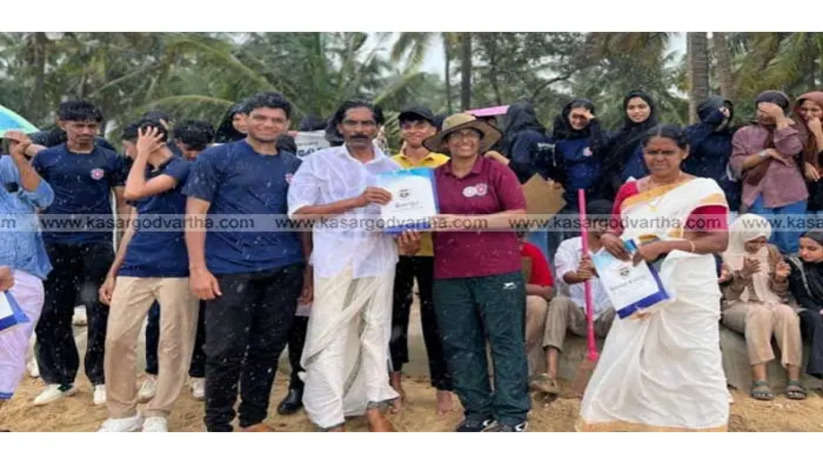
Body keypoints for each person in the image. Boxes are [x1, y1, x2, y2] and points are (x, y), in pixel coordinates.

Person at [578, 124, 730, 431]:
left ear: (684, 153)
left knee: (695, 357)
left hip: (688, 288)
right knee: (633, 355)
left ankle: (701, 426)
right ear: (643, 153)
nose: (659, 158)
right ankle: (635, 425)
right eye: (652, 152)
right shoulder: (629, 190)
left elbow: (718, 241)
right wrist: (608, 237)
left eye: (667, 152)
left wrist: (665, 246)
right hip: (637, 285)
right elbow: (618, 229)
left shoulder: (704, 190)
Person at [288, 100, 419, 432]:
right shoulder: (319, 162)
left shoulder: (393, 170)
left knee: (376, 333)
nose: (360, 130)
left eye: (367, 124)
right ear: (340, 127)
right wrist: (357, 201)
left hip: (379, 261)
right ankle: (329, 415)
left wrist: (410, 239)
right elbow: (299, 212)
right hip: (335, 261)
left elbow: (407, 228)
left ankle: (373, 406)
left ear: (377, 128)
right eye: (352, 123)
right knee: (329, 334)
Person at [184, 92, 310, 432]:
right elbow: (195, 214)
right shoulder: (217, 158)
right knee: (224, 351)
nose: (268, 124)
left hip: (284, 269)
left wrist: (307, 274)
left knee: (268, 349)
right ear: (245, 119)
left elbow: (302, 223)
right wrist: (198, 268)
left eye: (276, 120)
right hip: (229, 269)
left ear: (287, 125)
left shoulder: (293, 166)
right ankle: (219, 425)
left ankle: (254, 419)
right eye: (261, 118)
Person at [422, 113, 530, 432]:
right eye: (456, 136)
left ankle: (512, 414)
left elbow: (518, 217)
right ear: (445, 143)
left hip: (499, 270)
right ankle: (477, 410)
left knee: (506, 340)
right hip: (449, 272)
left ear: (480, 140)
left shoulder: (497, 171)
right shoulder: (431, 178)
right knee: (460, 342)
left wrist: (461, 222)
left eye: (471, 134)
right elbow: (416, 215)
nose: (464, 140)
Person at [96, 121, 199, 432]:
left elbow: (132, 192)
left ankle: (158, 412)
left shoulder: (183, 168)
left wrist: (141, 153)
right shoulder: (143, 173)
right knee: (117, 339)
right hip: (136, 267)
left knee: (173, 343)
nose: (127, 152)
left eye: (130, 145)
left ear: (144, 142)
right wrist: (113, 272)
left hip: (177, 269)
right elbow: (134, 224)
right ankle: (123, 414)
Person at [31, 100, 128, 406]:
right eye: (78, 125)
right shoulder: (47, 158)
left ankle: (100, 378)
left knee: (101, 311)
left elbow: (124, 202)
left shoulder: (110, 160)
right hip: (54, 245)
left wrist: (125, 239)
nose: (86, 132)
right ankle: (60, 380)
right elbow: (33, 197)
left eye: (91, 126)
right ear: (62, 124)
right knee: (51, 312)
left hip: (97, 244)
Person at [141, 119, 215, 402]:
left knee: (201, 318)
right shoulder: (164, 165)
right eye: (188, 148)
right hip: (166, 250)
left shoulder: (212, 166)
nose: (194, 154)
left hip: (201, 249)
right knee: (157, 317)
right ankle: (153, 373)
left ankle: (198, 374)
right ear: (177, 143)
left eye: (200, 148)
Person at [387, 106, 454, 415]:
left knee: (437, 320)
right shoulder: (387, 165)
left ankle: (443, 388)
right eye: (408, 125)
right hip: (396, 252)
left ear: (431, 130)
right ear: (402, 130)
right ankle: (395, 384)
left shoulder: (444, 163)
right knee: (394, 320)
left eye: (420, 125)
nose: (414, 131)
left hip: (436, 251)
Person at [528, 200, 615, 395]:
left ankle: (614, 377)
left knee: (623, 310)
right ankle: (550, 375)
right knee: (558, 303)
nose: (603, 225)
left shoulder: (618, 248)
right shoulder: (568, 246)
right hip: (578, 315)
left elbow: (624, 279)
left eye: (607, 221)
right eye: (597, 220)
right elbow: (565, 277)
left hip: (605, 317)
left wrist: (598, 269)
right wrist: (579, 275)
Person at [0, 132, 54, 428]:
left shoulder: (8, 168)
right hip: (7, 274)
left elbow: (44, 197)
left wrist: (22, 155)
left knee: (11, 349)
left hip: (24, 276)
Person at [721, 214, 805, 401]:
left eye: (762, 240)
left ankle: (794, 378)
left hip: (771, 302)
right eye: (753, 241)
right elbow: (729, 295)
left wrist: (779, 278)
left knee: (787, 313)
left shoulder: (772, 251)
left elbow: (780, 293)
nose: (758, 245)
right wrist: (743, 275)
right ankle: (760, 379)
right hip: (737, 306)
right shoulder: (724, 253)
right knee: (758, 313)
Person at [730, 90, 806, 254]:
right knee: (763, 241)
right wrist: (767, 153)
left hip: (792, 195)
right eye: (760, 110)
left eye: (768, 111)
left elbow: (791, 148)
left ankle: (792, 276)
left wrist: (780, 120)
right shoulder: (744, 133)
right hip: (758, 194)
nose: (763, 114)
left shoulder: (795, 129)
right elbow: (739, 164)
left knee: (789, 243)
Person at [683, 96, 741, 212]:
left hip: (728, 196)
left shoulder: (732, 134)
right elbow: (686, 149)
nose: (724, 117)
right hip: (696, 195)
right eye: (720, 112)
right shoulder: (692, 132)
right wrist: (711, 122)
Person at [600, 90, 658, 200]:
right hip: (622, 193)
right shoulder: (619, 136)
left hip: (655, 192)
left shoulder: (661, 134)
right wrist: (620, 186)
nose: (636, 111)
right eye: (631, 108)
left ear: (650, 108)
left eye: (642, 107)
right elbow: (611, 166)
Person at [550, 98, 607, 205]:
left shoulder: (599, 137)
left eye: (583, 117)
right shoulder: (561, 143)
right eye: (574, 116)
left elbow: (600, 148)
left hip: (597, 196)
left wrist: (594, 124)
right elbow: (560, 169)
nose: (578, 121)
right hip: (572, 197)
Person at [786, 230, 823, 380]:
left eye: (812, 249)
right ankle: (819, 370)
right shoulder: (795, 264)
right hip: (803, 308)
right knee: (817, 320)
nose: (804, 253)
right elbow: (801, 296)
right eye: (801, 248)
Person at [792, 92, 823, 214]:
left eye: (815, 110)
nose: (808, 114)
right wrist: (804, 164)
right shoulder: (793, 130)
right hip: (801, 194)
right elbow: (788, 156)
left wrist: (818, 134)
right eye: (804, 109)